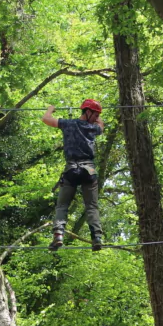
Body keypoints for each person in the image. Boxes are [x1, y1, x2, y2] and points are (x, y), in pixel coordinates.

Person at [43, 100, 104, 252]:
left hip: (71, 169)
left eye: (97, 115)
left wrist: (51, 109)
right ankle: (96, 237)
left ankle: (58, 234)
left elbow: (46, 119)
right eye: (95, 114)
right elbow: (101, 127)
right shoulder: (93, 128)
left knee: (62, 205)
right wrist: (98, 120)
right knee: (92, 205)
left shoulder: (68, 124)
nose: (96, 117)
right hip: (88, 170)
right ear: (87, 112)